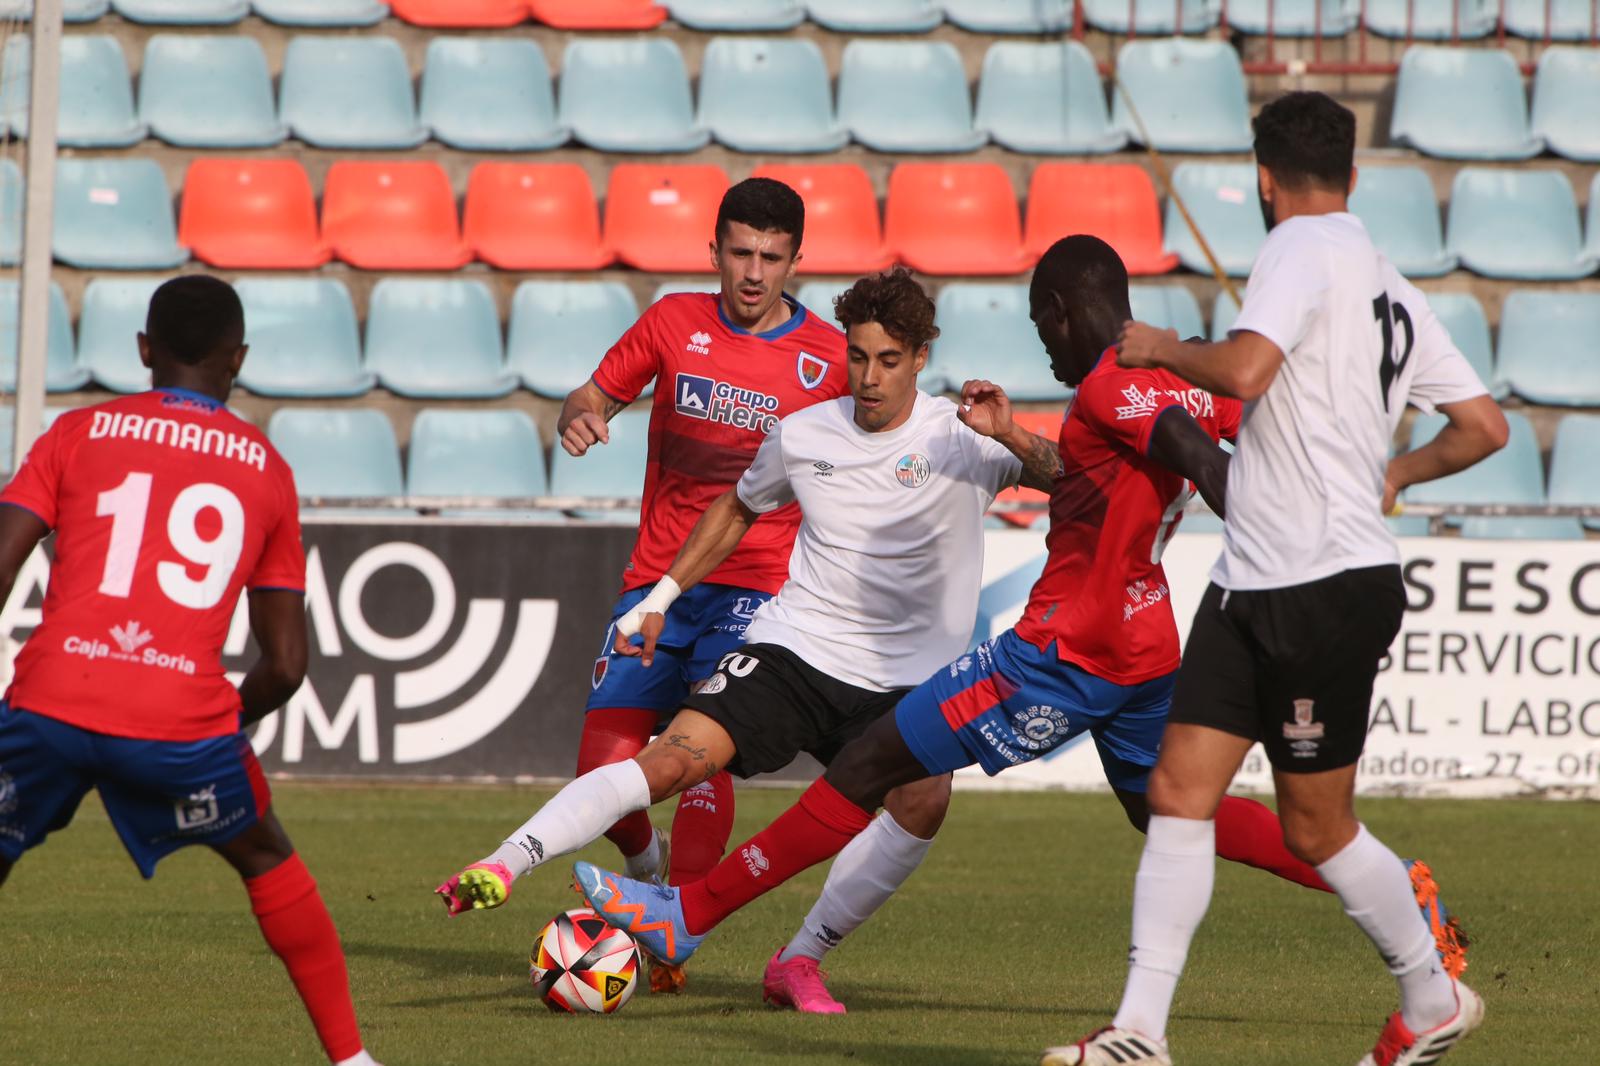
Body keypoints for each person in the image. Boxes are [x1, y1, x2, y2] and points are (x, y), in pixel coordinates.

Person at [567, 236, 1462, 998]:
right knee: (1172, 812)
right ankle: (1398, 890)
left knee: (886, 756)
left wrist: (1263, 517)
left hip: (1062, 649)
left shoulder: (1115, 382)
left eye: (1044, 325)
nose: (1044, 346)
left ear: (1067, 307)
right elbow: (1218, 429)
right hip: (1146, 640)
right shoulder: (1186, 375)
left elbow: (1202, 462)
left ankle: (689, 916)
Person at [440, 267, 1065, 1007]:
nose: (869, 377)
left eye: (888, 361)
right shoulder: (803, 434)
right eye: (858, 357)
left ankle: (798, 960)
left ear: (920, 358)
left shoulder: (961, 438)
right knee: (672, 759)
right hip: (796, 650)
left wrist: (1015, 434)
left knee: (923, 803)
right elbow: (737, 509)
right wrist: (663, 597)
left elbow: (1073, 479)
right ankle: (506, 861)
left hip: (906, 679)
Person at [1052, 92, 1505, 1066]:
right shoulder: (1386, 281)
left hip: (1319, 584)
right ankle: (1138, 1031)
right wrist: (1398, 470)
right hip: (1250, 577)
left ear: (1263, 178)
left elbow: (1246, 369)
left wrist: (1159, 345)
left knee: (1315, 825)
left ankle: (1430, 995)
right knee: (1178, 790)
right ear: (1352, 172)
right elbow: (1483, 426)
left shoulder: (1297, 250)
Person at [468, 177, 850, 993]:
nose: (753, 273)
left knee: (699, 755)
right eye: (740, 253)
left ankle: (672, 923)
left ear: (795, 262)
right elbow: (592, 392)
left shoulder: (830, 358)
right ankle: (648, 870)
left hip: (756, 585)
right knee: (599, 774)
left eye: (772, 258)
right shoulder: (673, 322)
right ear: (713, 250)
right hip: (655, 584)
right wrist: (582, 414)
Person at [0, 276, 381, 1065]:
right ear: (237, 359)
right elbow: (285, 666)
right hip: (180, 723)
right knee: (267, 856)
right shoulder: (267, 468)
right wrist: (219, 724)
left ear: (144, 348)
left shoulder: (76, 431)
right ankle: (352, 1060)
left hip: (52, 699)